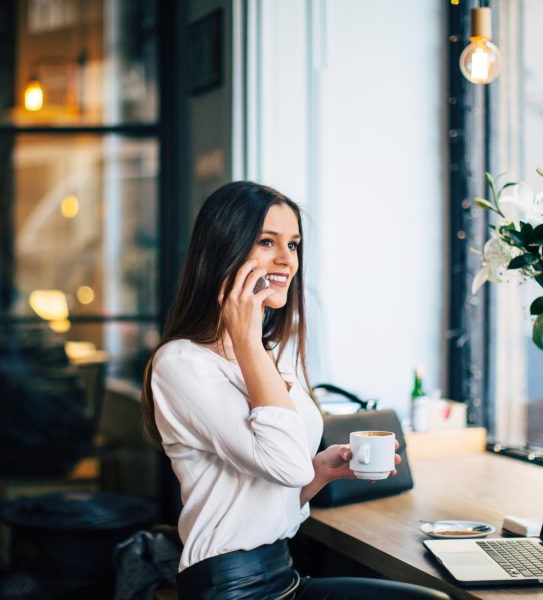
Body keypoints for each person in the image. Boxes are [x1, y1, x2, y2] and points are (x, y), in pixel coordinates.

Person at [141, 182, 448, 599]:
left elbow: (270, 491)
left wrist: (320, 472)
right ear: (223, 250)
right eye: (267, 242)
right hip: (230, 586)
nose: (287, 260)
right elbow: (286, 465)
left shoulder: (268, 354)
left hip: (283, 575)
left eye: (294, 244)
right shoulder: (182, 363)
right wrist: (247, 341)